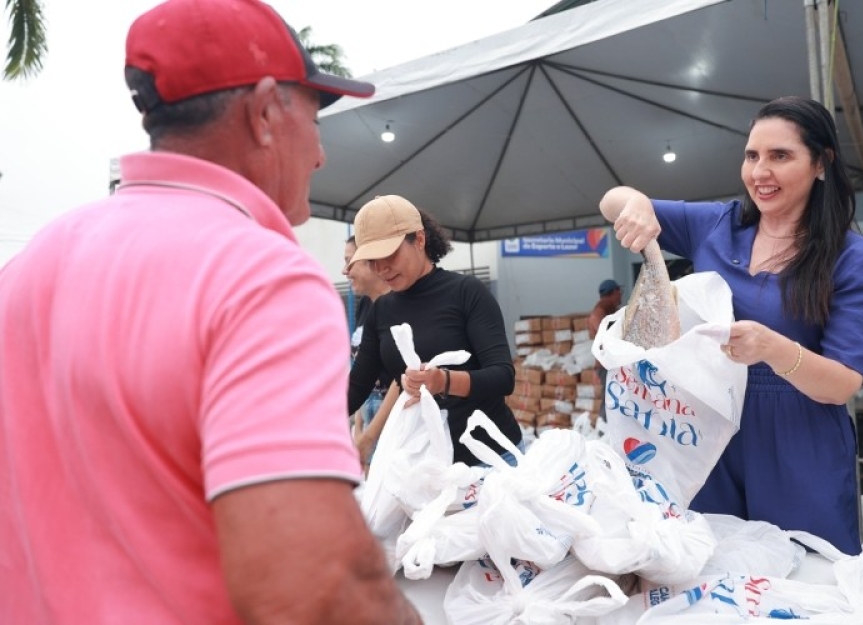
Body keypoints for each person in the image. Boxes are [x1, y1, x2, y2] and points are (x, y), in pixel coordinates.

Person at [0, 1, 420, 623]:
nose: (321, 156)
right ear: (264, 113)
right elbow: (312, 586)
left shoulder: (33, 265)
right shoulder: (261, 275)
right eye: (316, 120)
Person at [599, 96, 863, 556]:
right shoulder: (716, 224)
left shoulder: (853, 258)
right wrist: (635, 204)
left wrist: (772, 347)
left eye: (780, 156)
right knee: (711, 569)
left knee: (807, 576)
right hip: (704, 428)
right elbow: (612, 199)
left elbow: (842, 384)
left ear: (821, 163)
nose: (759, 172)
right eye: (752, 156)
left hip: (797, 437)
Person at [346, 195, 523, 466]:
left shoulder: (466, 293)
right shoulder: (380, 311)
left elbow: (502, 377)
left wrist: (444, 381)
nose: (381, 268)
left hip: (490, 459)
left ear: (419, 239)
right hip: (425, 468)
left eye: (389, 254)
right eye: (371, 260)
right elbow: (356, 387)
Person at [343, 235, 395, 467]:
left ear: (370, 260)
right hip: (367, 407)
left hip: (391, 412)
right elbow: (361, 370)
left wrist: (371, 434)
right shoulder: (365, 305)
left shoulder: (398, 307)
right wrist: (360, 425)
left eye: (349, 261)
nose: (345, 270)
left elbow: (405, 377)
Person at [588, 278, 622, 419]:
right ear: (613, 292)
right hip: (606, 366)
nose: (621, 296)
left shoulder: (610, 312)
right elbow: (607, 338)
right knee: (609, 399)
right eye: (619, 292)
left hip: (613, 364)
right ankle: (605, 429)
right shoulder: (598, 315)